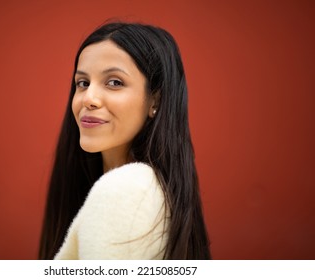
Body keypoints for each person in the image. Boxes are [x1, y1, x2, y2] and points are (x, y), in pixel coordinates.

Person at [39, 21, 211, 260]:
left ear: (155, 101)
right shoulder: (147, 189)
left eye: (114, 82)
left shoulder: (126, 191)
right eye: (83, 83)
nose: (89, 98)